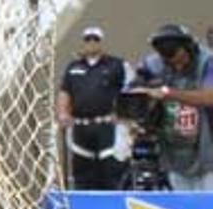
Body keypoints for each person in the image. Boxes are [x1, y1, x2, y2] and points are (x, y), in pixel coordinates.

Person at [131, 24, 213, 192]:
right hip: (176, 153)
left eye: (177, 57)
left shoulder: (207, 62)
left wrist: (168, 93)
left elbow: (209, 97)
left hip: (208, 151)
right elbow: (132, 91)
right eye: (167, 59)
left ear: (187, 48)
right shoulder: (155, 63)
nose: (175, 64)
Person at [59, 26, 133, 190]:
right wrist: (63, 113)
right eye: (88, 39)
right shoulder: (73, 67)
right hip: (81, 127)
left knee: (111, 171)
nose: (91, 43)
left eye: (95, 39)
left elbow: (130, 89)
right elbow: (65, 92)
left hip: (108, 126)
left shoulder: (117, 65)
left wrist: (123, 113)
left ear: (101, 42)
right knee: (83, 173)